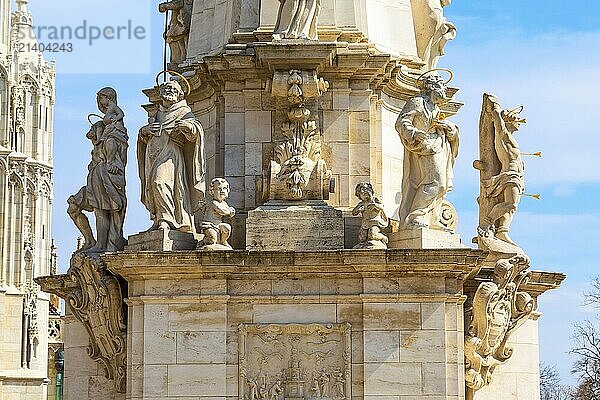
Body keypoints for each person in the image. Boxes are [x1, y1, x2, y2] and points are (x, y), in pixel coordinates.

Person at [138, 80, 205, 234]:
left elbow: (195, 129)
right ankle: (158, 219)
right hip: (152, 155)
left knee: (160, 183)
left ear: (180, 94)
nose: (170, 90)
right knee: (152, 186)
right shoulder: (158, 113)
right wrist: (145, 131)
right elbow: (143, 135)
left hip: (170, 154)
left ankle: (166, 220)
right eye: (166, 88)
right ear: (160, 93)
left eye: (173, 88)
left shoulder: (183, 111)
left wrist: (186, 127)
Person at [395, 72, 459, 230]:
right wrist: (414, 133)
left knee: (442, 185)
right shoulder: (417, 102)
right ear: (432, 86)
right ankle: (415, 217)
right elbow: (401, 122)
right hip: (423, 146)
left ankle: (433, 216)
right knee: (435, 181)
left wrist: (450, 130)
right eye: (442, 86)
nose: (444, 89)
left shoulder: (436, 108)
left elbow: (448, 131)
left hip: (438, 145)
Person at [68, 87, 128, 252]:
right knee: (73, 206)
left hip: (107, 173)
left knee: (102, 209)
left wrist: (110, 161)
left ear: (107, 98)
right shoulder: (101, 126)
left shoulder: (114, 127)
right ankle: (90, 241)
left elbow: (115, 145)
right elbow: (96, 139)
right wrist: (96, 136)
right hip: (96, 173)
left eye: (101, 98)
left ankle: (102, 245)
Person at [478, 94, 525, 246]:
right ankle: (486, 222)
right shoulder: (503, 135)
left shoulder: (511, 138)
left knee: (512, 208)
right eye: (517, 119)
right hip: (509, 175)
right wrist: (496, 110)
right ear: (510, 120)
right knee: (510, 204)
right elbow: (498, 125)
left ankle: (502, 231)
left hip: (517, 177)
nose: (520, 122)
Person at [198, 178, 236, 250]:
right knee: (212, 240)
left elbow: (228, 213)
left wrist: (230, 212)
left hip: (218, 225)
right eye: (218, 189)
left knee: (227, 228)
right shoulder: (213, 203)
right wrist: (230, 211)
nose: (222, 191)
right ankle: (204, 241)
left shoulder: (224, 203)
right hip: (209, 225)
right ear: (212, 192)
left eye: (224, 188)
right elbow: (221, 211)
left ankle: (223, 241)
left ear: (227, 191)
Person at [352, 182, 389, 248]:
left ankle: (383, 237)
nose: (364, 192)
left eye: (366, 189)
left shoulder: (375, 200)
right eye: (361, 192)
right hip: (365, 224)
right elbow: (353, 212)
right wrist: (359, 210)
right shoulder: (361, 204)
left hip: (375, 223)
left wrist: (375, 205)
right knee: (361, 238)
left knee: (372, 235)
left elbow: (382, 207)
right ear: (359, 195)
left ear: (370, 190)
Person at [158, 0, 193, 64]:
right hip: (179, 26)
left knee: (183, 46)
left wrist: (165, 6)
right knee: (182, 47)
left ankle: (182, 62)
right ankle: (182, 61)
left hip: (181, 25)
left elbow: (179, 3)